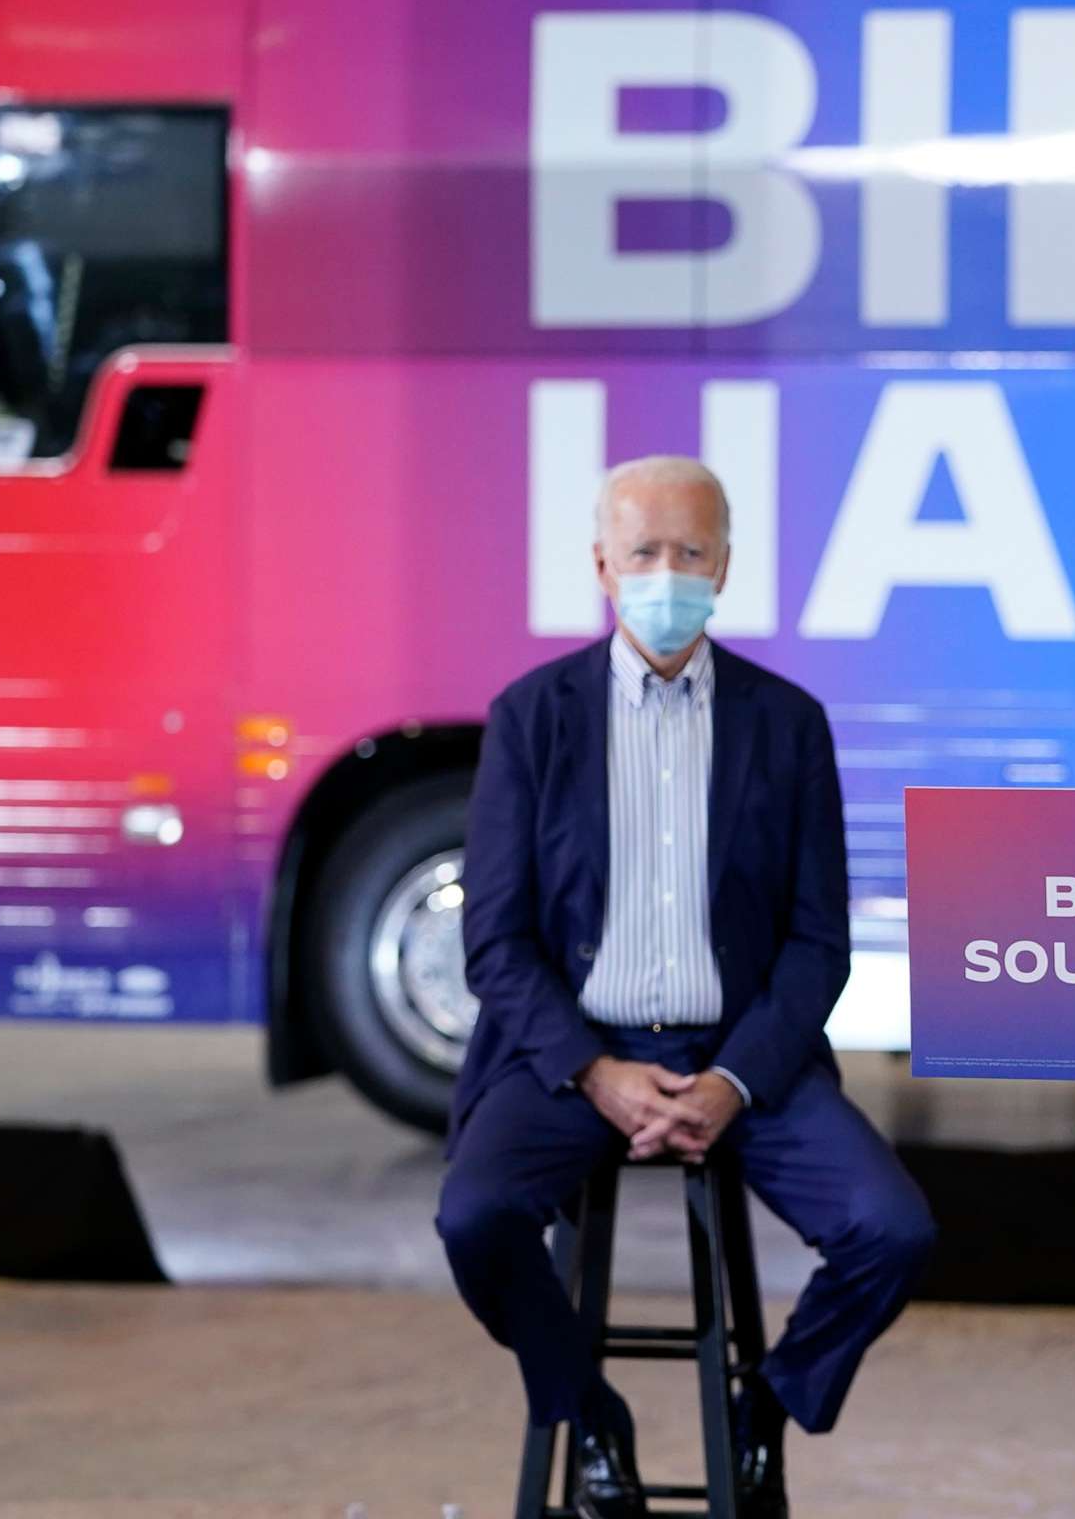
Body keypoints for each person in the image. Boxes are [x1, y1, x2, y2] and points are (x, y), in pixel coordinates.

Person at [436, 455, 935, 1519]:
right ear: (603, 566)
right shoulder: (532, 718)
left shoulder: (787, 723)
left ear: (727, 565)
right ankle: (590, 1414)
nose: (669, 572)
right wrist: (596, 1072)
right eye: (645, 551)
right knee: (475, 1218)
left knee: (892, 1229)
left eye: (692, 552)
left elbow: (817, 945)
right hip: (573, 1055)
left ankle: (766, 1408)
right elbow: (495, 943)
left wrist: (732, 1082)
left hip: (745, 1056)